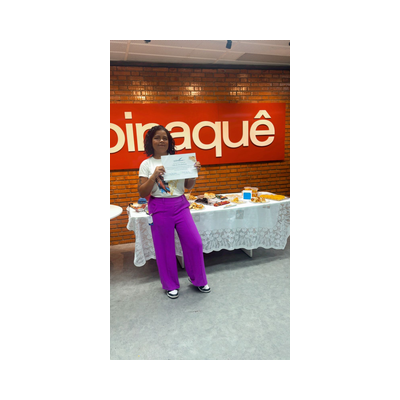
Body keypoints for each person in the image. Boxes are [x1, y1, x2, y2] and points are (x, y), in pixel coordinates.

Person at [138, 125, 210, 299]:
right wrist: (153, 176)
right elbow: (142, 192)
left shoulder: (179, 160)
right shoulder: (147, 164)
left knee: (195, 243)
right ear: (150, 141)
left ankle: (199, 279)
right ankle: (170, 284)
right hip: (159, 207)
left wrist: (193, 173)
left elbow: (188, 186)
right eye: (157, 137)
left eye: (165, 138)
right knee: (165, 248)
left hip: (180, 205)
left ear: (169, 141)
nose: (161, 141)